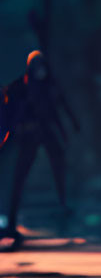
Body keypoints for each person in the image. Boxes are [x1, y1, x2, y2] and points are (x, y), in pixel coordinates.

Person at [0, 50, 77, 239]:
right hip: (29, 135)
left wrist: (69, 127)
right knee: (19, 177)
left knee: (59, 167)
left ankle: (63, 205)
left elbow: (58, 107)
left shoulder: (49, 85)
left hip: (45, 131)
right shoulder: (19, 88)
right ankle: (11, 221)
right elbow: (10, 114)